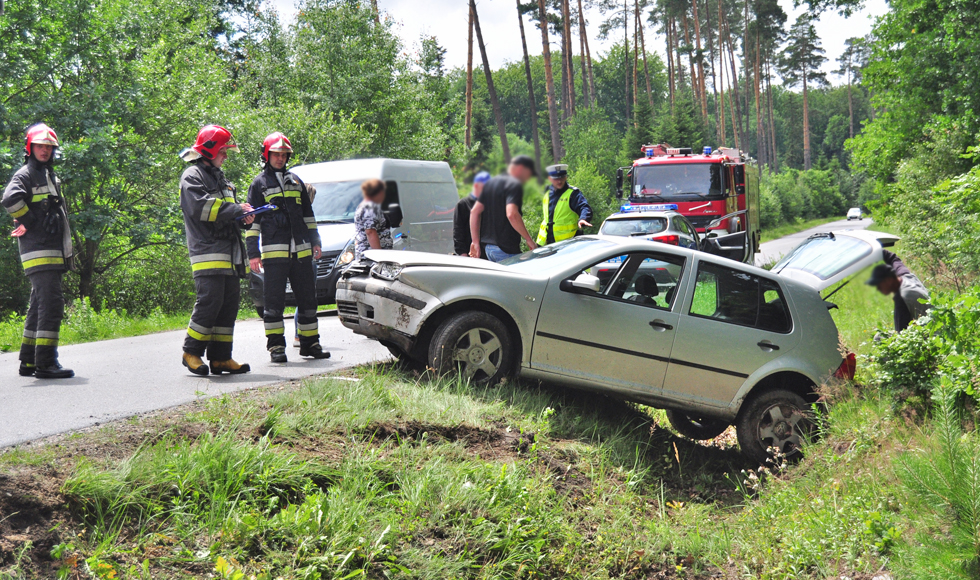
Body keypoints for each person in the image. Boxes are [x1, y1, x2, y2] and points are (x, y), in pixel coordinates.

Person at [245, 132, 330, 363]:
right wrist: (253, 253)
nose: (280, 158)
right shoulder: (259, 184)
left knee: (308, 300)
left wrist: (316, 241)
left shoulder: (296, 181)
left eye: (284, 155)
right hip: (274, 255)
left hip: (301, 253)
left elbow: (307, 215)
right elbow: (252, 222)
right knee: (273, 302)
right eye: (276, 154)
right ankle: (276, 348)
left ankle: (310, 344)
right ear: (267, 155)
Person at [178, 124, 253, 376]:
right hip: (207, 254)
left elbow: (228, 213)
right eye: (223, 150)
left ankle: (221, 358)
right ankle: (191, 351)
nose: (226, 156)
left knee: (228, 305)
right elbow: (202, 209)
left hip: (229, 255)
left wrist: (245, 217)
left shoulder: (223, 180)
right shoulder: (192, 176)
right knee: (210, 302)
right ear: (209, 149)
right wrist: (236, 210)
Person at [2, 124, 74, 379]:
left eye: (49, 147)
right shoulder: (26, 174)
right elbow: (10, 200)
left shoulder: (48, 174)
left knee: (38, 304)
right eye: (40, 146)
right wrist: (30, 220)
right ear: (29, 148)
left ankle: (29, 361)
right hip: (38, 250)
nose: (45, 150)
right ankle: (46, 362)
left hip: (50, 250)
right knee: (52, 304)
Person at [469, 155, 538, 262]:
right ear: (520, 168)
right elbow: (512, 214)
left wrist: (475, 242)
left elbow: (474, 212)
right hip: (505, 249)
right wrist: (529, 240)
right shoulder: (514, 184)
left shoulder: (491, 183)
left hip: (488, 248)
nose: (528, 179)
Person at [866, 250, 930, 333]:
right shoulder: (907, 277)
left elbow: (902, 334)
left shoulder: (901, 297)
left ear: (888, 280)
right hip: (935, 328)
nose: (878, 289)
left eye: (879, 285)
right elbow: (893, 259)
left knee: (879, 337)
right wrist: (873, 249)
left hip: (930, 337)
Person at [536, 163, 593, 246]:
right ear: (550, 179)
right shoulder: (546, 193)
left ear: (566, 177)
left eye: (562, 177)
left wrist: (583, 218)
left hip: (568, 244)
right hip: (547, 243)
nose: (559, 181)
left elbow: (584, 207)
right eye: (556, 179)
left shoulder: (573, 193)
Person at [294, 182, 319, 348]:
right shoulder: (303, 213)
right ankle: (299, 334)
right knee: (305, 298)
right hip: (306, 258)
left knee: (305, 297)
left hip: (306, 257)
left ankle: (300, 334)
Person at [353, 178, 393, 260]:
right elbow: (370, 232)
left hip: (367, 254)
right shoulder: (370, 208)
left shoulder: (364, 206)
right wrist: (379, 257)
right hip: (371, 257)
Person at [453, 171, 490, 255]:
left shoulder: (490, 203)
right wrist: (463, 254)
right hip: (472, 254)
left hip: (489, 253)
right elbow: (458, 232)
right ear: (476, 186)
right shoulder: (463, 204)